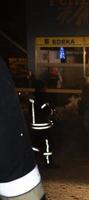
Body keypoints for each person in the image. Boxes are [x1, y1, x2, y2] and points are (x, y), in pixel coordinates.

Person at [0, 57, 46, 199]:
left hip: (33, 129)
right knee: (45, 145)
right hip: (16, 174)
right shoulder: (42, 98)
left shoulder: (33, 98)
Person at [29, 80, 55, 167]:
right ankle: (48, 162)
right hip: (43, 126)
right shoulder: (42, 98)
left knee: (35, 145)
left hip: (34, 126)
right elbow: (46, 110)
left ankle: (33, 162)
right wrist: (52, 111)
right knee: (47, 144)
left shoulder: (32, 98)